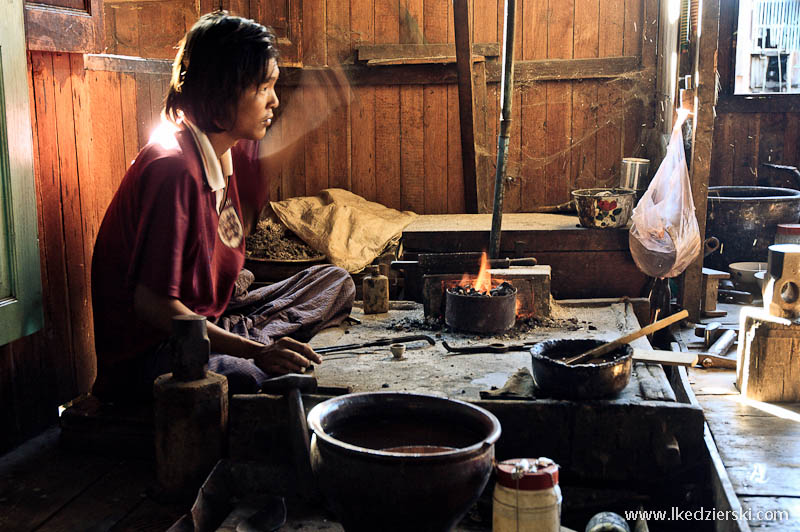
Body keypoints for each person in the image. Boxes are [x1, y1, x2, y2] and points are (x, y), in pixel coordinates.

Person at [91, 11, 355, 401]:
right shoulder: (174, 170)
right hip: (155, 352)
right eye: (263, 88)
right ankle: (248, 344)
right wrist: (255, 351)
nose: (275, 101)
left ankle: (244, 339)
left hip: (210, 315)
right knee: (251, 379)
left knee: (334, 281)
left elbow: (251, 191)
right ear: (223, 91)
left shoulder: (224, 150)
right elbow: (152, 305)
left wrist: (309, 115)